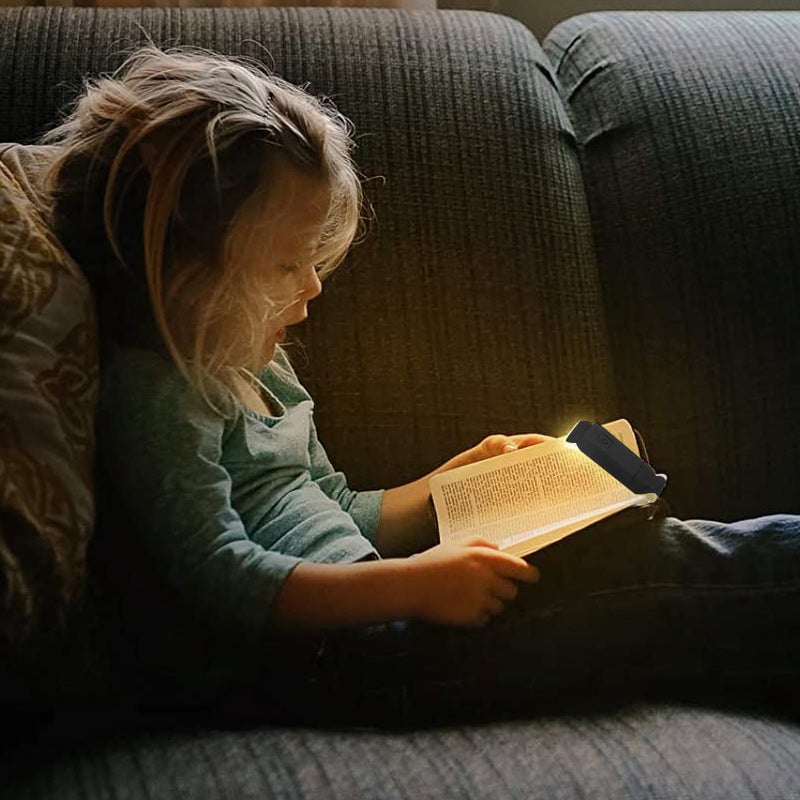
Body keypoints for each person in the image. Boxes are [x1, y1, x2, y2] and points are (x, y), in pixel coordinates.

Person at [38, 43, 800, 730]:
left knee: (639, 553)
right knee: (644, 579)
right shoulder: (154, 392)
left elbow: (335, 513)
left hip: (379, 622)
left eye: (312, 260)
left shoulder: (248, 352)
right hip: (345, 664)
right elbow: (220, 576)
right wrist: (410, 588)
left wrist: (454, 484)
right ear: (180, 264)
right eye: (281, 267)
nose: (311, 290)